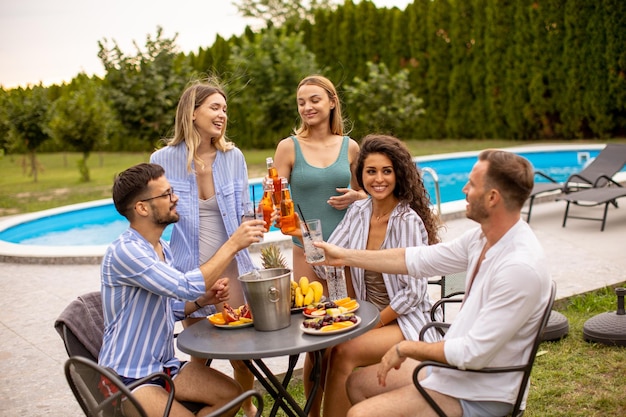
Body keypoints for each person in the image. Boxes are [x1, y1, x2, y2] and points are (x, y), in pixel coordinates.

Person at [314, 149, 552, 417]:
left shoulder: (519, 268)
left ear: (493, 197)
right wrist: (345, 255)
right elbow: (417, 259)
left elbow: (472, 354)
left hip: (481, 392)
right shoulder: (482, 238)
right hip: (452, 374)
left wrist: (408, 347)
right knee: (357, 384)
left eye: (472, 184)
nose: (464, 189)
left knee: (361, 414)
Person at [99, 162, 265, 417]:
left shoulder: (161, 248)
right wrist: (232, 244)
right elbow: (184, 286)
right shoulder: (126, 252)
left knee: (232, 395)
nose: (175, 198)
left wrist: (201, 300)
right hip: (128, 379)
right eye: (165, 194)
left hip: (165, 368)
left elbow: (173, 304)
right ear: (142, 207)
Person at [312, 134, 442, 417]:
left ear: (399, 174)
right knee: (324, 348)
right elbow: (329, 261)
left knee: (344, 353)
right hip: (366, 315)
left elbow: (414, 293)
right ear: (361, 175)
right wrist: (310, 241)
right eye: (371, 171)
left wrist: (375, 323)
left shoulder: (407, 220)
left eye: (387, 171)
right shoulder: (358, 210)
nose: (378, 179)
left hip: (405, 320)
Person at [150, 80, 259, 416]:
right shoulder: (162, 159)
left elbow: (244, 212)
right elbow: (153, 215)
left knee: (242, 355)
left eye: (225, 109)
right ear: (192, 112)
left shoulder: (233, 157)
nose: (222, 115)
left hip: (233, 272)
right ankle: (209, 405)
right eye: (214, 107)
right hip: (190, 274)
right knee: (201, 355)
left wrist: (256, 223)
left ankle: (250, 410)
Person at [272, 74, 366, 416]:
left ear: (331, 102)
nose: (307, 107)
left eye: (314, 100)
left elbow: (368, 196)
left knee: (346, 334)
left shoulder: (351, 147)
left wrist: (358, 195)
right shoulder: (288, 147)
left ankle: (340, 409)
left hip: (346, 255)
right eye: (301, 102)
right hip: (306, 254)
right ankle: (312, 414)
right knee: (313, 342)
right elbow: (276, 202)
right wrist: (290, 226)